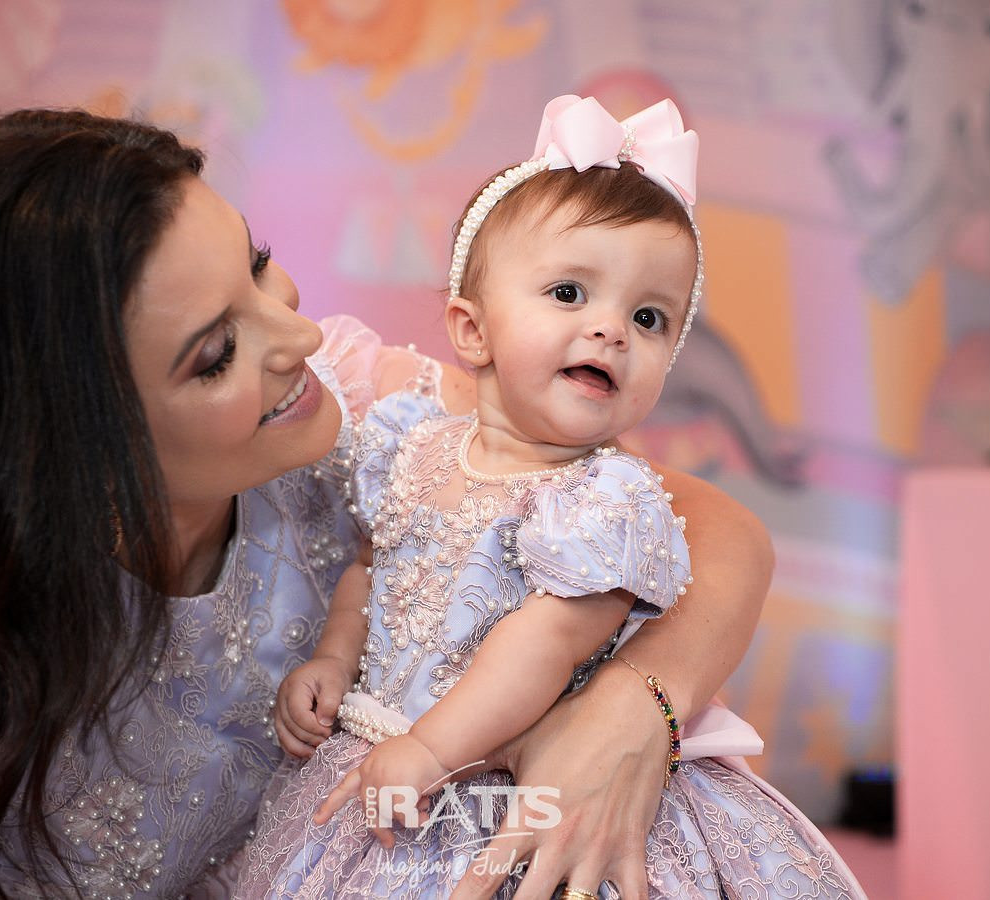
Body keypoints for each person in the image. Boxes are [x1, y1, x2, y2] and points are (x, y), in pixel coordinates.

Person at [0, 107, 772, 900]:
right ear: (73, 447)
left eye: (257, 264)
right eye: (215, 355)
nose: (298, 334)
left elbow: (713, 529)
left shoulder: (360, 403)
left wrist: (630, 708)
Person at [235, 95, 866, 899]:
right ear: (472, 330)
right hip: (382, 746)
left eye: (648, 318)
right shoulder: (409, 439)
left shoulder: (605, 501)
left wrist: (430, 751)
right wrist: (332, 659)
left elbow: (543, 645)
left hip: (499, 785)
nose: (611, 330)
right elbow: (369, 565)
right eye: (569, 294)